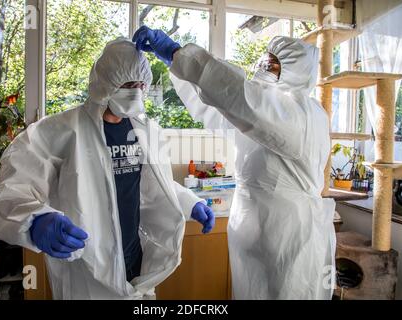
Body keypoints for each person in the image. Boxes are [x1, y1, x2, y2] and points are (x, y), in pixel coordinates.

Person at [0, 38, 215, 300]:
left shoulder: (146, 132)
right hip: (87, 267)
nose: (136, 92)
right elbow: (10, 190)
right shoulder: (60, 131)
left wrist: (190, 202)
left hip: (136, 263)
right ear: (105, 83)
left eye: (141, 85)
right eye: (128, 85)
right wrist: (34, 219)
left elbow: (151, 184)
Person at [133, 26, 336, 300]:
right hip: (256, 235)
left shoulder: (301, 115)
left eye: (274, 63)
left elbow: (241, 97)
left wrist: (181, 55)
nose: (264, 65)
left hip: (289, 238)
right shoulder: (268, 113)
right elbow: (219, 108)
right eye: (266, 57)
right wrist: (177, 66)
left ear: (296, 72)